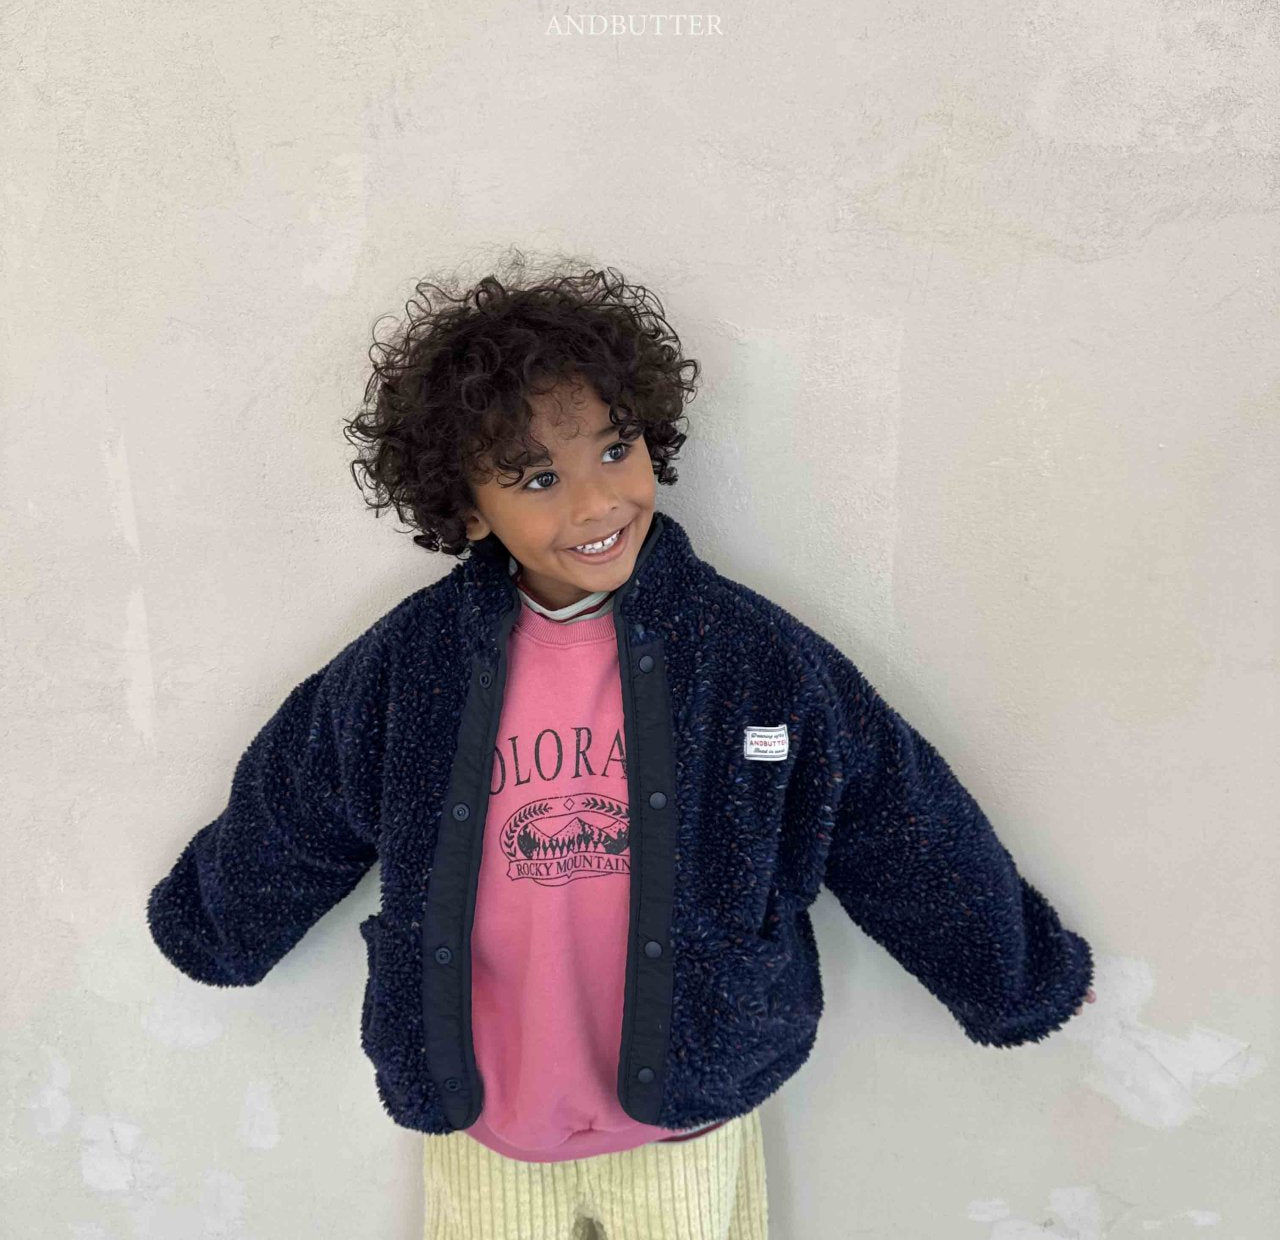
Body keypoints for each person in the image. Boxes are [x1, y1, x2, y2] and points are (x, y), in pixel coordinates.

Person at [147, 253, 1095, 1240]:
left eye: (614, 448)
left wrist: (1011, 976)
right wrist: (219, 922)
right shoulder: (409, 668)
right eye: (538, 478)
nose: (596, 503)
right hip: (486, 1118)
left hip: (688, 1111)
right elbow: (297, 799)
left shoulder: (748, 657)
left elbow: (896, 818)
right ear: (468, 507)